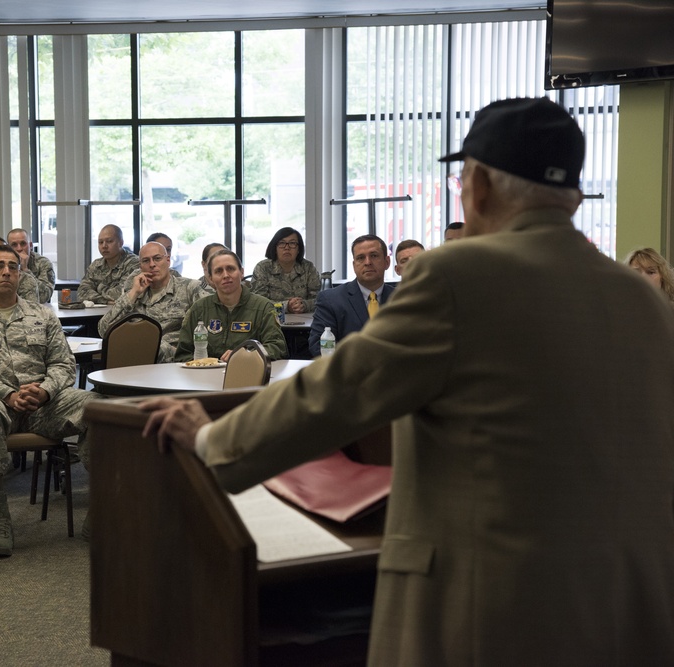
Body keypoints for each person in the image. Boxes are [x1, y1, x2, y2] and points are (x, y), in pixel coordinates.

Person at [140, 97, 674, 666]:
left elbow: (336, 391)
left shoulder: (460, 276)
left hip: (492, 610)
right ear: (572, 194)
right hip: (632, 609)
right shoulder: (640, 297)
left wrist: (211, 437)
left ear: (482, 186)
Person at [0, 244, 98, 557]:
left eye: (13, 266)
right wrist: (8, 394)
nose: (7, 272)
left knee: (99, 407)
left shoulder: (42, 314)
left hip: (44, 405)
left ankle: (101, 508)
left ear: (21, 273)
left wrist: (45, 390)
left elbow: (64, 364)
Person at [98, 241, 209, 362]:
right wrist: (133, 293)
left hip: (175, 360)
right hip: (137, 360)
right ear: (140, 266)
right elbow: (104, 330)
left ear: (168, 260)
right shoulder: (135, 294)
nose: (152, 265)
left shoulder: (189, 288)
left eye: (157, 259)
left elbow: (213, 321)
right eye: (146, 261)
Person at [174, 249, 286, 362]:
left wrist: (245, 354)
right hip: (205, 375)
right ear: (210, 278)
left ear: (241, 272)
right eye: (218, 271)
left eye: (230, 269)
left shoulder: (263, 307)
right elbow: (183, 354)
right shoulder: (199, 309)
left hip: (247, 373)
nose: (226, 275)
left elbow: (278, 348)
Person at [308, 234, 396, 356]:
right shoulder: (331, 300)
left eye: (374, 256)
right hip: (349, 372)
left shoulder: (401, 298)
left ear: (387, 262)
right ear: (354, 266)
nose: (368, 262)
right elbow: (319, 346)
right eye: (360, 258)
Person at [250, 227, 321, 313]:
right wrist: (286, 306)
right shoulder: (263, 268)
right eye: (282, 243)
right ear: (275, 247)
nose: (287, 248)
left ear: (298, 249)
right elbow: (258, 303)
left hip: (304, 322)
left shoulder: (308, 268)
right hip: (271, 322)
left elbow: (319, 299)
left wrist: (304, 305)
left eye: (292, 243)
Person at [77, 224, 139, 304]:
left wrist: (98, 289)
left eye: (109, 241)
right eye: (100, 242)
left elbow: (123, 293)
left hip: (126, 314)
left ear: (121, 243)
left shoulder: (133, 263)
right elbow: (82, 292)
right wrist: (104, 301)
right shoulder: (96, 265)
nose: (104, 246)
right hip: (96, 313)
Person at [7, 228, 55, 303]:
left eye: (23, 244)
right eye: (14, 245)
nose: (19, 249)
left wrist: (25, 270)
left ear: (30, 246)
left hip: (35, 310)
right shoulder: (3, 265)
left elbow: (44, 296)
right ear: (8, 248)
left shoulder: (43, 263)